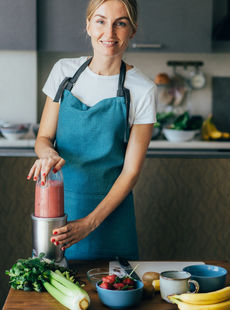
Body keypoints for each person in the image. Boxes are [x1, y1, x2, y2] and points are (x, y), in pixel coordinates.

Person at [27, 0, 156, 260]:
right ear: (88, 25)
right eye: (100, 21)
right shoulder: (63, 72)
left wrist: (90, 223)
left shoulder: (142, 89)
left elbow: (131, 173)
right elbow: (43, 138)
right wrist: (47, 154)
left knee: (114, 292)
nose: (109, 33)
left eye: (120, 23)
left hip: (111, 218)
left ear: (132, 30)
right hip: (60, 209)